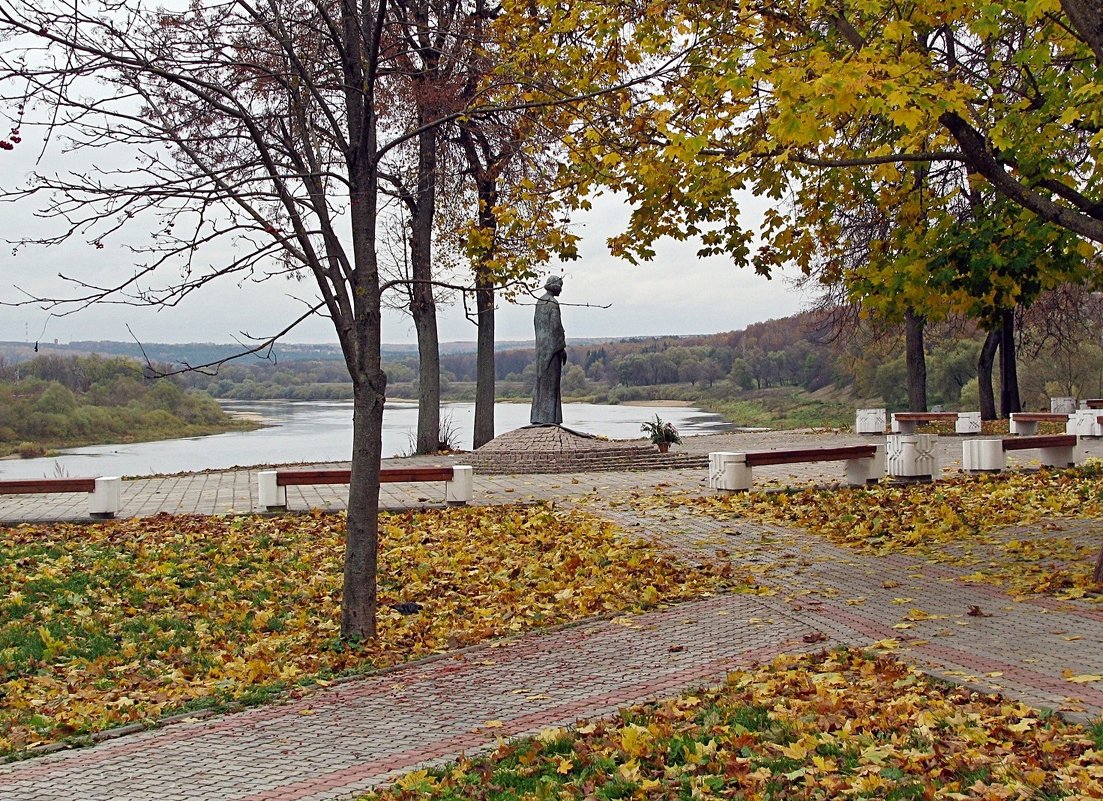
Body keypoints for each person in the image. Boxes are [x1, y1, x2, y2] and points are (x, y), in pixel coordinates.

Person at [530, 275, 566, 425]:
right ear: (555, 287)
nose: (561, 289)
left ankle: (539, 417)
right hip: (552, 351)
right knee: (551, 384)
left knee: (541, 383)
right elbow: (556, 328)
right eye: (560, 286)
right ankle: (550, 419)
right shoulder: (553, 304)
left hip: (541, 350)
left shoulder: (540, 302)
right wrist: (561, 348)